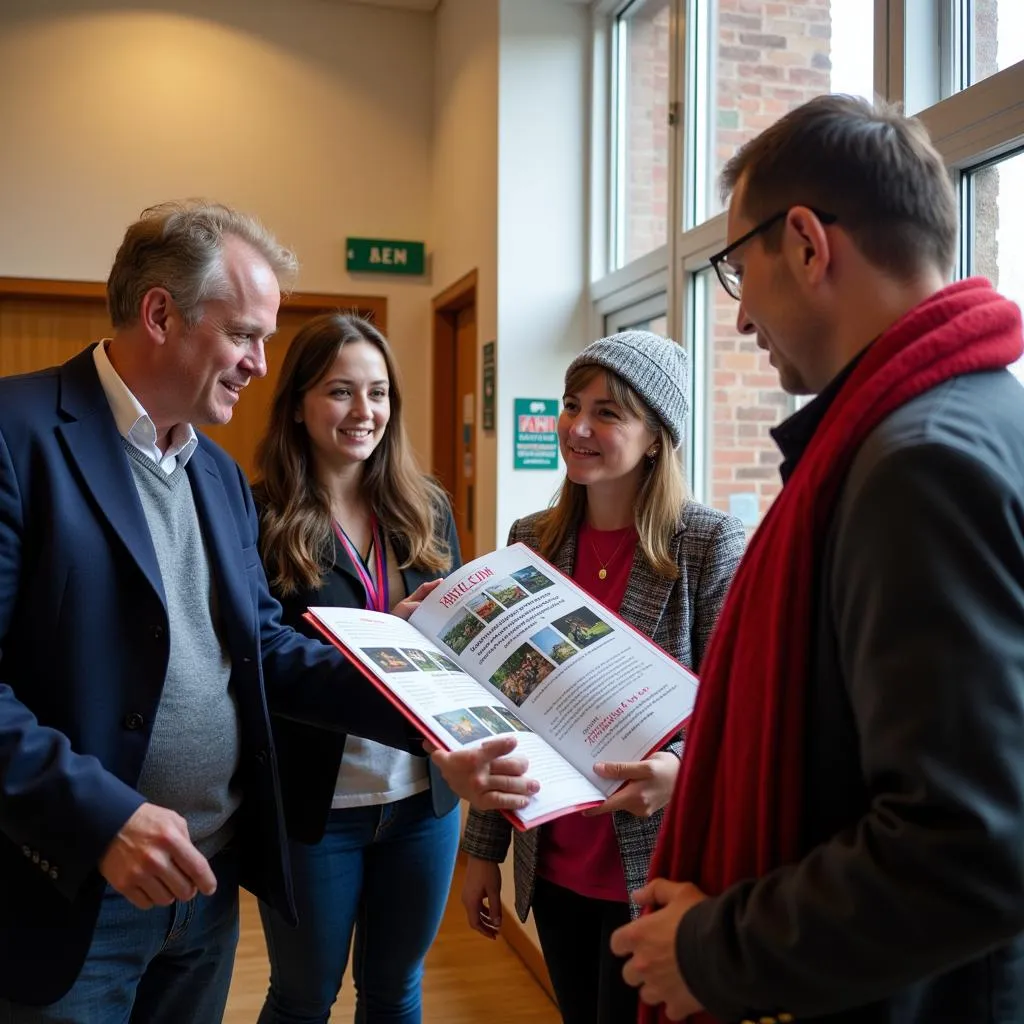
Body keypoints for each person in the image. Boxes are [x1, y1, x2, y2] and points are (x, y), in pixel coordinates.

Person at [0, 201, 491, 1023]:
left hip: (207, 882)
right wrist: (102, 820)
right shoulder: (17, 437)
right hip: (74, 889)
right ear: (160, 314)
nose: (262, 364)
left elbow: (268, 650)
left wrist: (437, 716)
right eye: (245, 336)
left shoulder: (215, 475)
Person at [609, 95, 1024, 1024]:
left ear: (805, 242)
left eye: (733, 267)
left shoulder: (919, 465)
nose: (743, 311)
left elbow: (970, 844)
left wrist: (715, 947)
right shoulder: (976, 416)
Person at [459, 331, 745, 1024]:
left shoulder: (708, 544)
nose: (578, 427)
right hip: (553, 862)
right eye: (571, 405)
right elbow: (505, 708)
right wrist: (480, 853)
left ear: (656, 438)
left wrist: (680, 771)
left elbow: (737, 708)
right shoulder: (533, 539)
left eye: (609, 413)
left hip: (659, 871)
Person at [251, 312, 461, 1024]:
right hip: (316, 807)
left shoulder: (426, 507)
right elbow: (260, 658)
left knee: (396, 990)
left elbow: (453, 645)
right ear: (301, 403)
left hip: (420, 800)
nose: (363, 412)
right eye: (340, 391)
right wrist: (382, 642)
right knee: (304, 997)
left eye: (378, 393)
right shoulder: (259, 514)